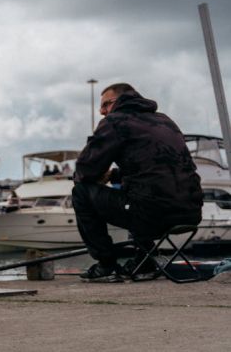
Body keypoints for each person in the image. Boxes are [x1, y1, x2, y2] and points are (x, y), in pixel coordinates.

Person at [73, 83, 202, 282]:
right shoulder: (165, 121)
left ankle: (106, 266)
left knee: (81, 192)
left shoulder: (116, 121)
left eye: (106, 105)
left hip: (152, 216)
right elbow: (155, 170)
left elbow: (85, 169)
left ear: (119, 101)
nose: (102, 111)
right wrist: (114, 176)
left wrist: (94, 177)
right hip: (190, 212)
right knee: (139, 191)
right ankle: (145, 262)